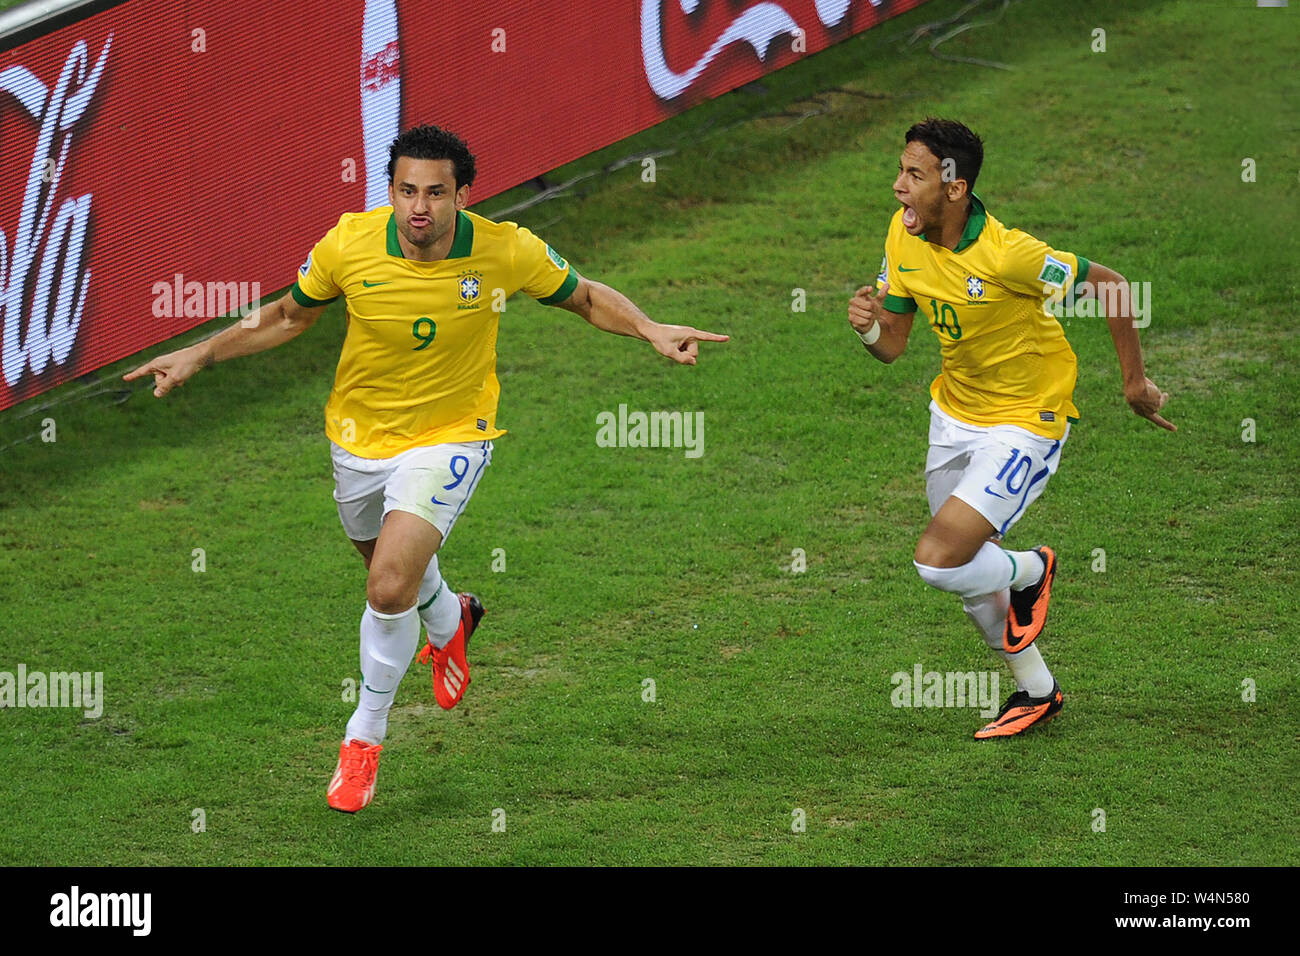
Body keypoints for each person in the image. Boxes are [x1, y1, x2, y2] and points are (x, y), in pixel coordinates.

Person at [125, 124, 728, 810]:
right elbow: (291, 316)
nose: (419, 206)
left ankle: (363, 738)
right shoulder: (349, 243)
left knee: (386, 587)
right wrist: (199, 353)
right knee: (387, 568)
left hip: (452, 435)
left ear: (462, 196)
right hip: (357, 438)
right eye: (407, 190)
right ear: (390, 191)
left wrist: (648, 326)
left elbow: (585, 295)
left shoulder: (505, 249)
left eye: (436, 193)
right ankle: (451, 618)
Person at [847, 118, 1174, 739]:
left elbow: (1110, 286)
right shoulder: (903, 233)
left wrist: (1134, 383)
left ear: (954, 187)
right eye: (900, 169)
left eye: (912, 175)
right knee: (969, 576)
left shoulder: (1009, 255)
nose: (897, 187)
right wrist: (866, 326)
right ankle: (1038, 692)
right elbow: (892, 346)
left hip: (1025, 423)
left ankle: (1031, 570)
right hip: (953, 417)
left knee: (940, 562)